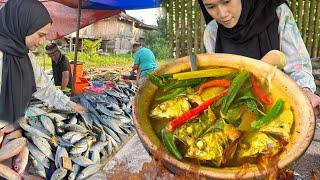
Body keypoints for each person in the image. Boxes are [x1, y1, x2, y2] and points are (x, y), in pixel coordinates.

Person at [199, 0, 320, 117]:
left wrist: (306, 92)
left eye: (226, 1)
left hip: (281, 106)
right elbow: (219, 80)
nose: (222, 13)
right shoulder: (212, 32)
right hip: (236, 111)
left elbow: (297, 65)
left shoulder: (277, 13)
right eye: (211, 7)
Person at [0, 0, 85, 126]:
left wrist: (69, 104)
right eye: (40, 35)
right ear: (22, 25)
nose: (41, 42)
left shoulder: (26, 56)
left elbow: (44, 87)